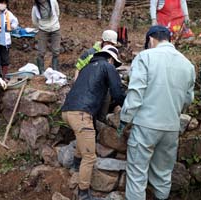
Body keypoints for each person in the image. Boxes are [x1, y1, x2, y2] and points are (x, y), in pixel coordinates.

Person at [118, 25, 195, 200]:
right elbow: (187, 100)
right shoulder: (187, 65)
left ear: (151, 39)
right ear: (169, 39)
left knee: (137, 176)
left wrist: (124, 120)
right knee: (163, 175)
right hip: (171, 128)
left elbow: (136, 93)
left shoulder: (145, 57)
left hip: (146, 125)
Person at [61, 45, 126, 200]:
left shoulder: (86, 68)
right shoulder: (107, 66)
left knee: (82, 135)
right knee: (90, 157)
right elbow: (117, 92)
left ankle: (76, 164)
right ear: (111, 59)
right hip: (81, 114)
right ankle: (83, 193)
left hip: (67, 112)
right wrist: (127, 106)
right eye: (114, 64)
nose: (114, 66)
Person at [32, 0, 61, 74]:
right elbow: (34, 21)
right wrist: (41, 27)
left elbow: (57, 13)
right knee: (41, 51)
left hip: (55, 28)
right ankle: (41, 71)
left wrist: (54, 23)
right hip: (43, 30)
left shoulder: (53, 2)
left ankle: (55, 70)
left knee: (56, 51)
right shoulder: (35, 8)